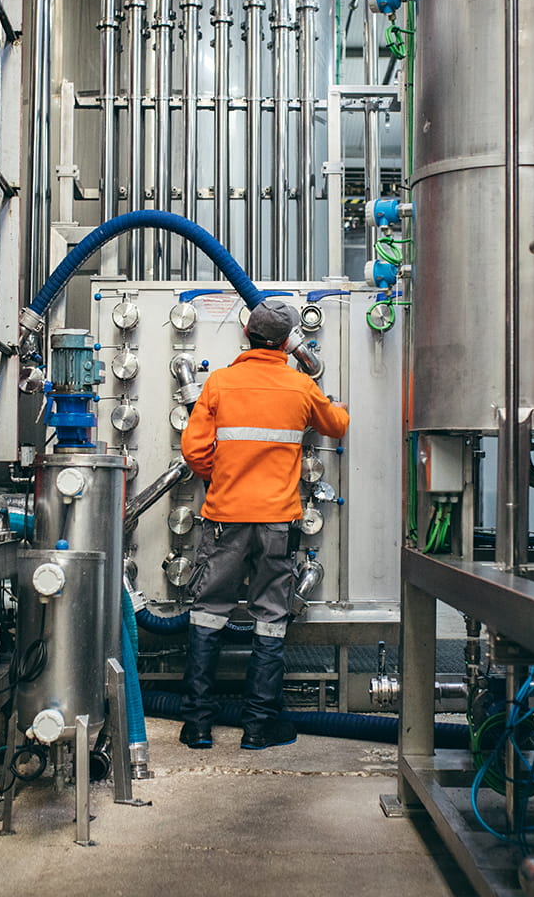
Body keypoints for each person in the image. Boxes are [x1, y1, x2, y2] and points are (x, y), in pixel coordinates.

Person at [176, 300, 350, 750]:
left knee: (207, 613)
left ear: (247, 335)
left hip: (224, 518)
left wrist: (225, 476)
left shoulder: (220, 383)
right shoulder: (299, 386)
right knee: (271, 619)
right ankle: (257, 728)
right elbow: (337, 426)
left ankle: (197, 726)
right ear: (288, 342)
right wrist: (335, 400)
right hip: (277, 522)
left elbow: (194, 452)